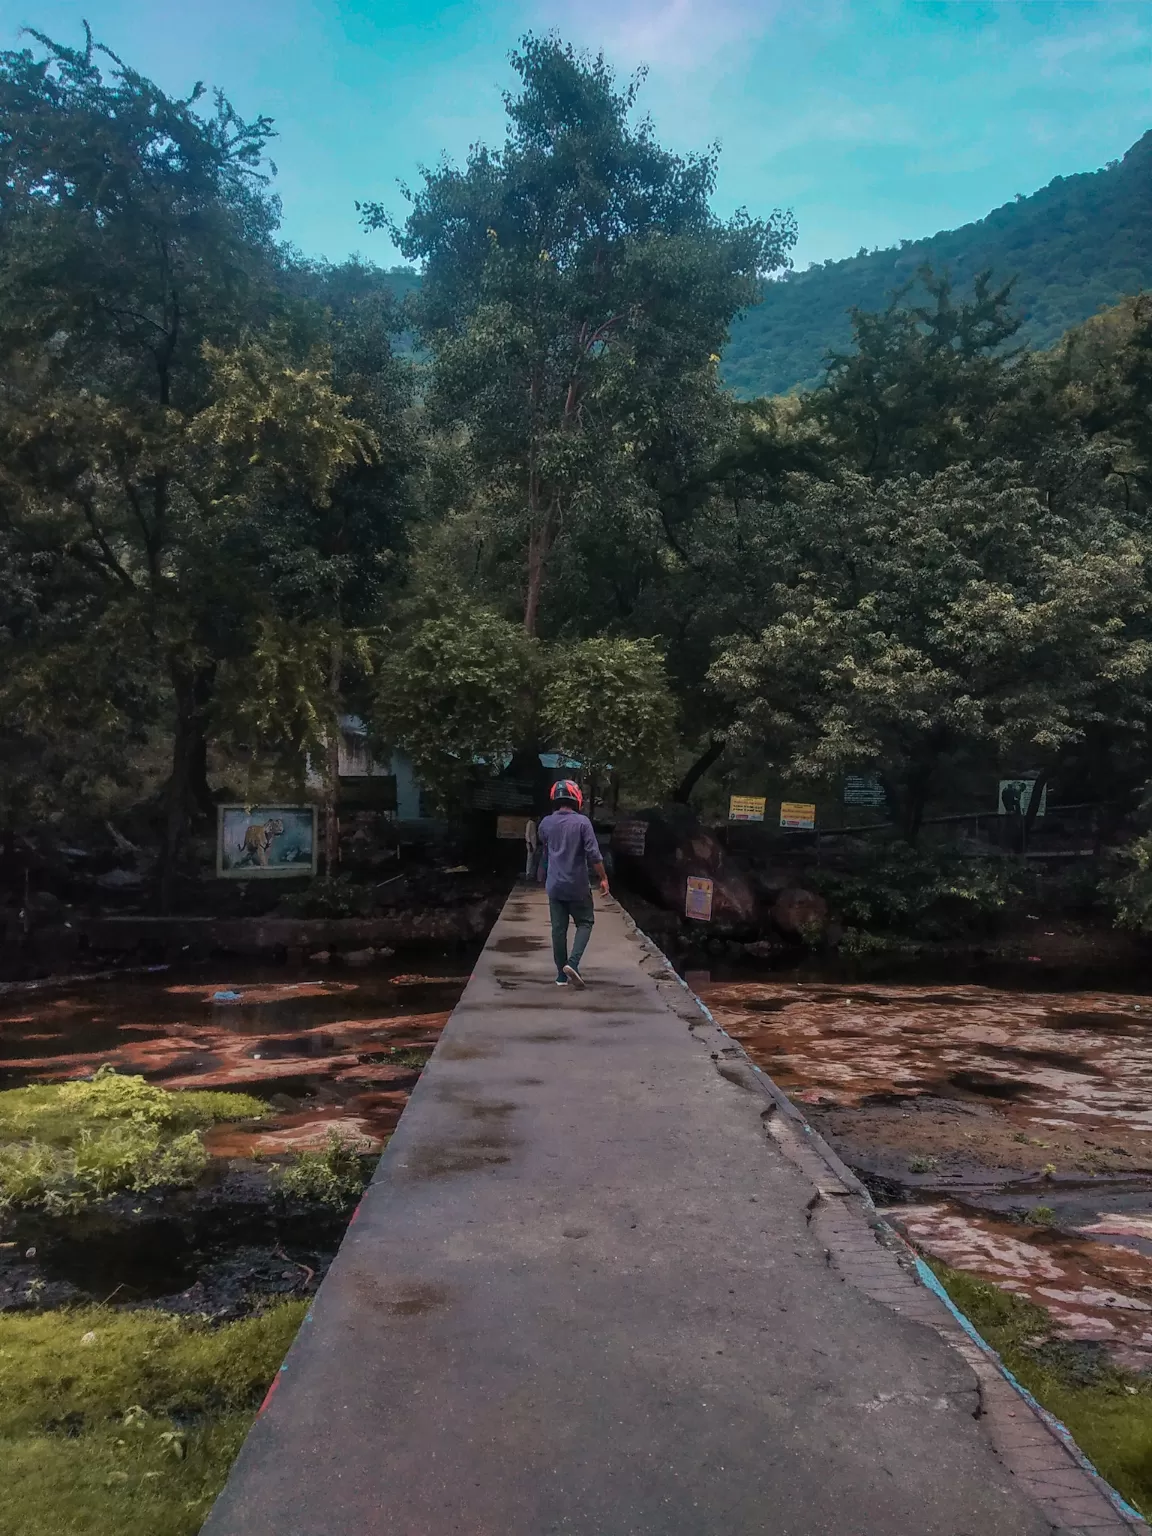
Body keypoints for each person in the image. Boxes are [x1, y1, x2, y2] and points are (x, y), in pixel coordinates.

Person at [537, 779, 609, 987]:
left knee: (558, 930)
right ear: (576, 798)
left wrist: (540, 874)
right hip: (577, 885)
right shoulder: (582, 823)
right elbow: (594, 854)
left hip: (555, 885)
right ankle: (573, 963)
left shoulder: (545, 824)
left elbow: (545, 852)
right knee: (585, 922)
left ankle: (561, 976)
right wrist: (603, 878)